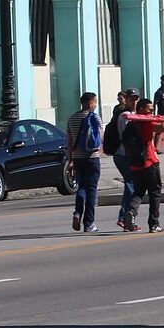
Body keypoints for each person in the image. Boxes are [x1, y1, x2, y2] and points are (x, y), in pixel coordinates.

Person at [119, 99, 164, 233]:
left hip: (136, 164)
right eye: (150, 109)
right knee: (155, 193)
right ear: (141, 109)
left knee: (139, 191)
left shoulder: (131, 124)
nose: (152, 111)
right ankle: (154, 224)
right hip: (150, 162)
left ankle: (131, 211)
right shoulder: (146, 123)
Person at [64, 92, 104, 233]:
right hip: (92, 157)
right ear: (89, 103)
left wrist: (70, 160)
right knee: (92, 189)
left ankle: (77, 213)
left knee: (81, 187)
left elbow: (69, 142)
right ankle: (89, 223)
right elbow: (100, 137)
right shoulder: (94, 117)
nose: (95, 105)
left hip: (77, 158)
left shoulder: (72, 118)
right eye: (94, 102)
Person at [104, 89, 139, 231]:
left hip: (125, 155)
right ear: (126, 99)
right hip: (124, 155)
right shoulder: (125, 116)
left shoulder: (131, 115)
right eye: (132, 99)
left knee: (131, 186)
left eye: (136, 99)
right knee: (131, 185)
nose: (134, 101)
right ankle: (125, 218)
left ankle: (124, 218)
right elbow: (127, 140)